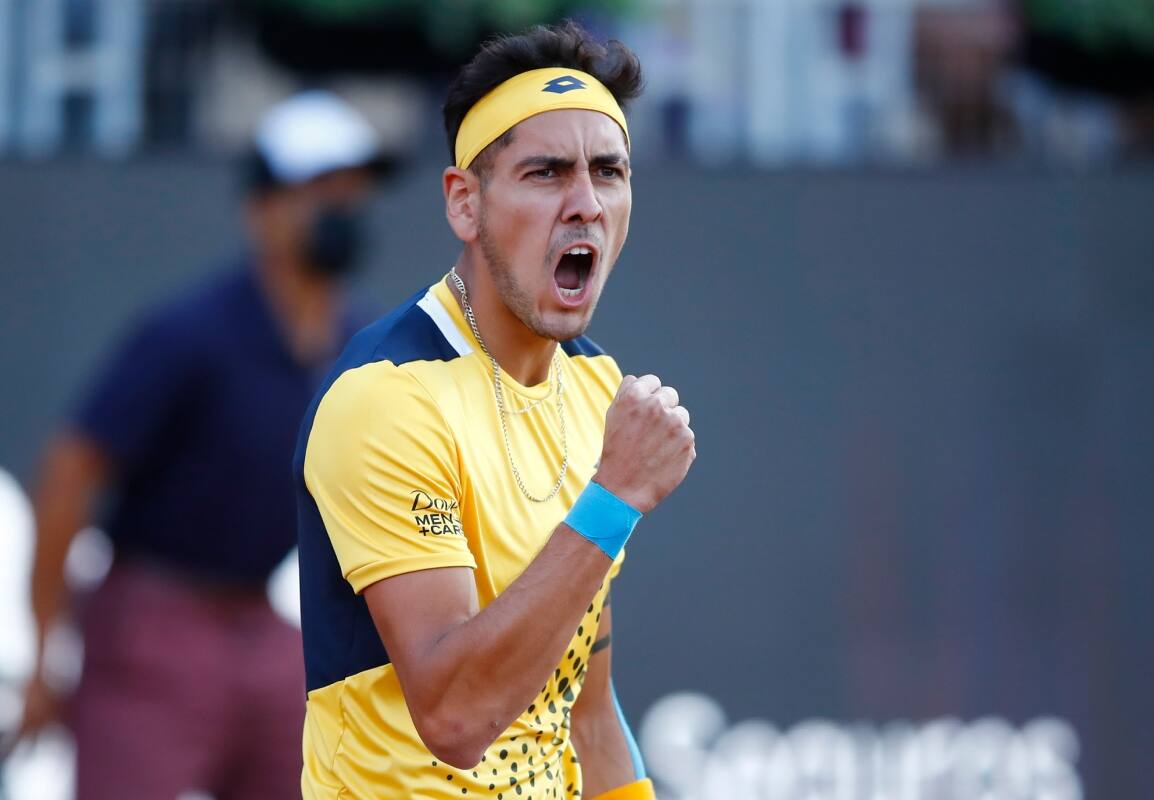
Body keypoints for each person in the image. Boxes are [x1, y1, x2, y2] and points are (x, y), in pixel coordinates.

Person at [295, 21, 695, 800]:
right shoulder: (386, 400)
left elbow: (583, 706)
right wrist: (612, 499)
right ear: (465, 203)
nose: (584, 203)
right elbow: (455, 718)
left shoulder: (594, 389)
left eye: (608, 171)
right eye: (546, 174)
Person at [12, 90, 392, 799]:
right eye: (320, 192)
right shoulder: (189, 333)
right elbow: (69, 473)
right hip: (152, 622)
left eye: (352, 193)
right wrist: (47, 652)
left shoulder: (361, 342)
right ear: (261, 210)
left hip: (263, 622)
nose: (342, 211)